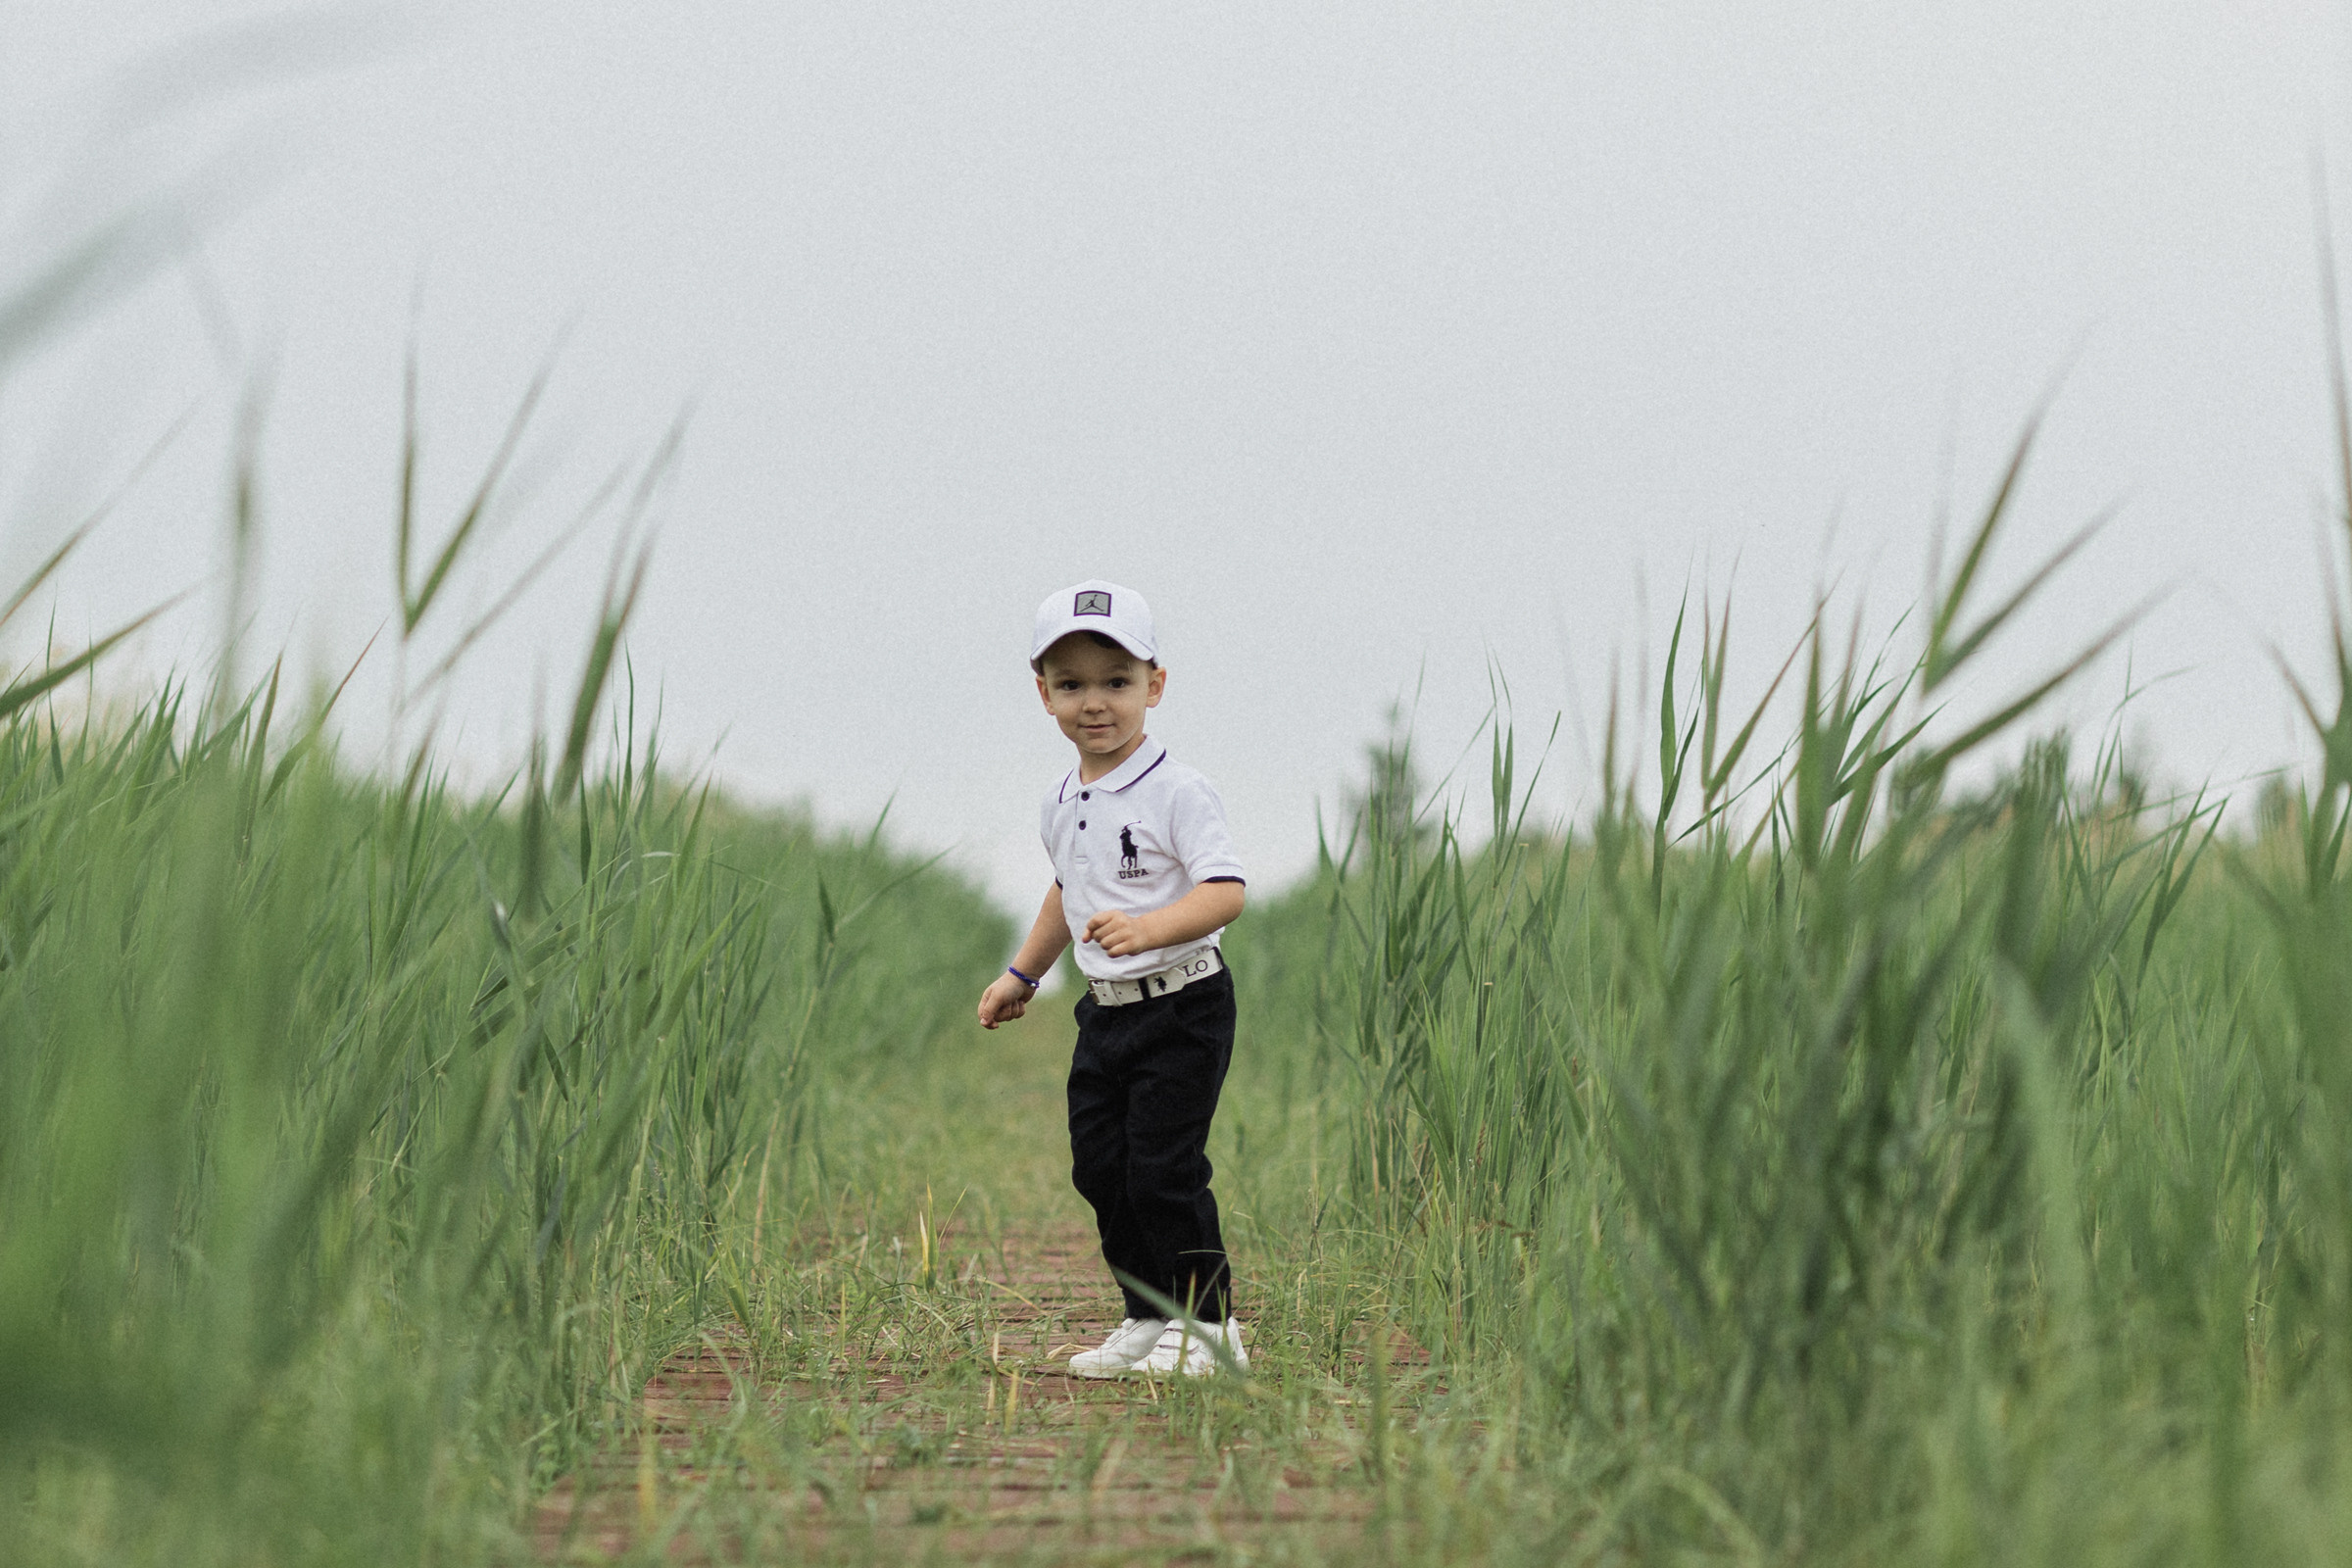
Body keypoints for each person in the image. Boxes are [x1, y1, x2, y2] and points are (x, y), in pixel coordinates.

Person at [976, 579, 1250, 1379]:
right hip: (1106, 1014)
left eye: (1116, 681)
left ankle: (1211, 1329)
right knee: (1102, 1167)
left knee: (1165, 1168)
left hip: (1184, 1003)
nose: (1095, 702)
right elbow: (1068, 890)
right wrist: (1024, 972)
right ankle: (1149, 1312)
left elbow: (1224, 890)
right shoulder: (1063, 800)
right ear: (1044, 695)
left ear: (1154, 686)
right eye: (1072, 685)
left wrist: (1148, 928)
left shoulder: (1179, 791)